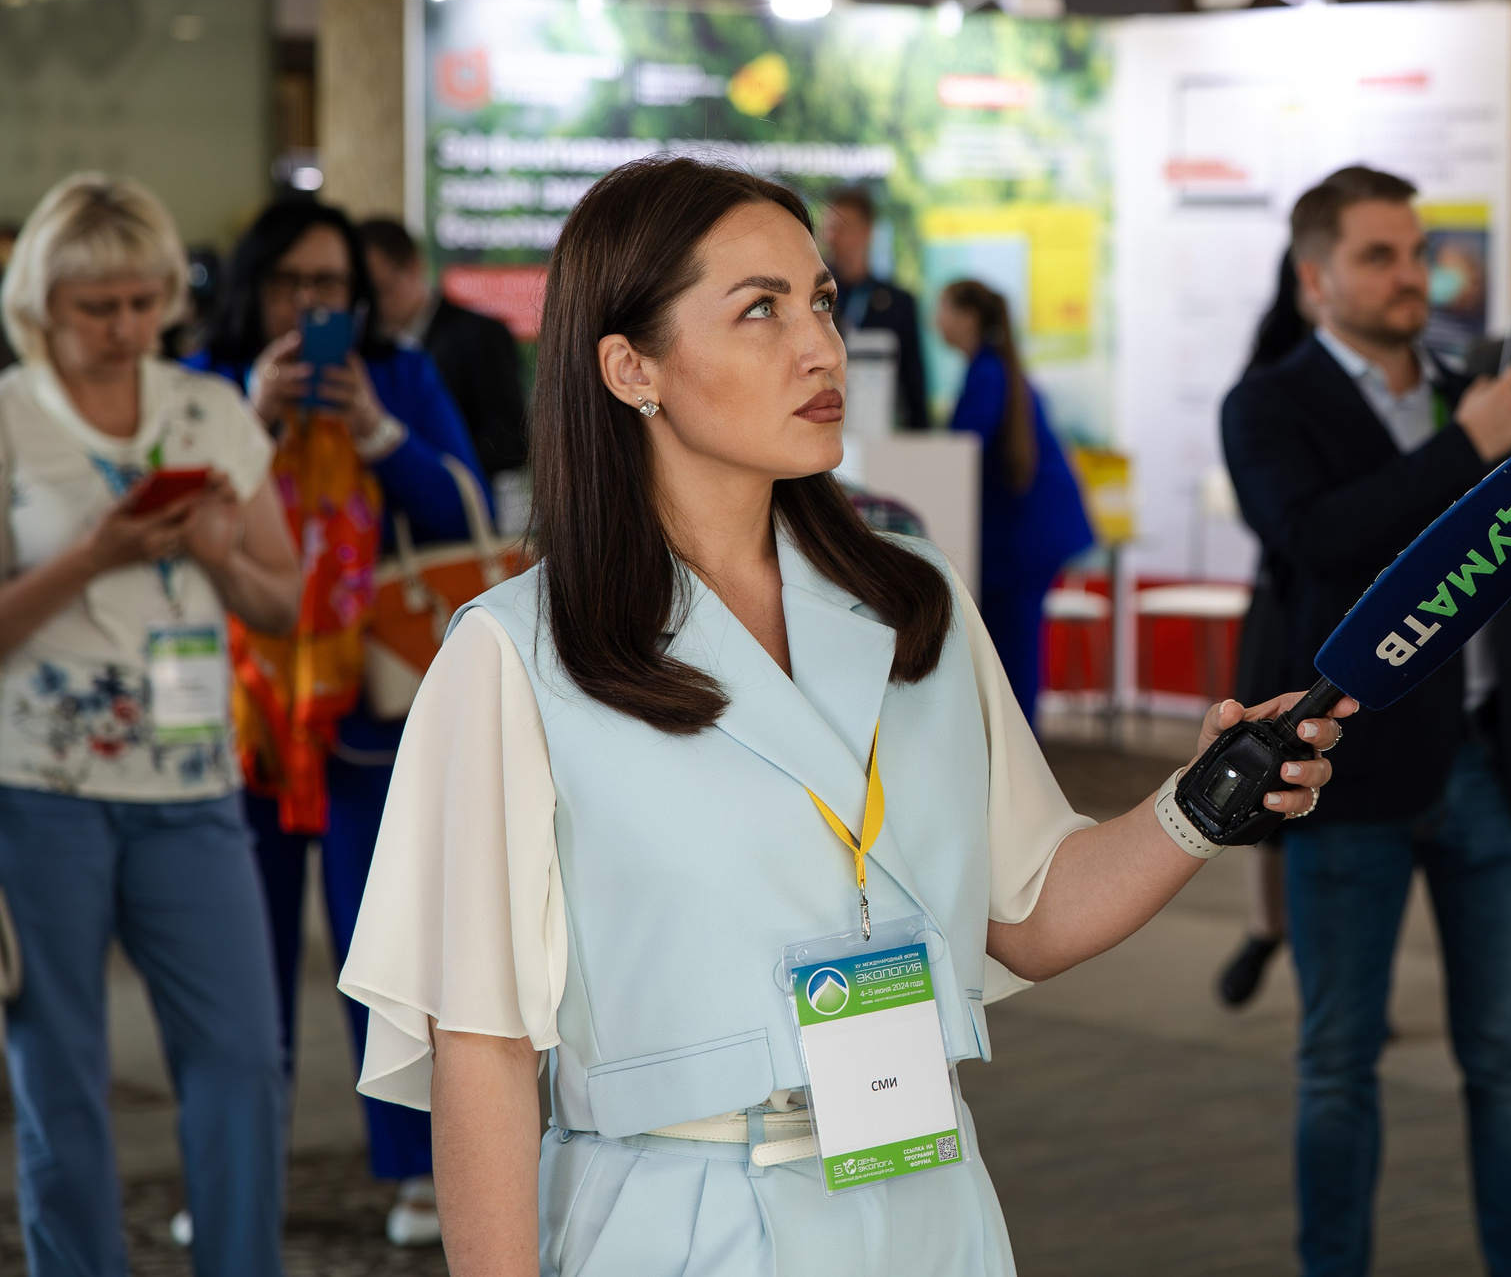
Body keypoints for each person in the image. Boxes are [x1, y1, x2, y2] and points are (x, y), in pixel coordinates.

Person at [333, 157, 1349, 1276]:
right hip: (679, 1216)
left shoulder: (912, 599)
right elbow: (478, 1045)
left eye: (819, 299)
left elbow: (1029, 906)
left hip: (929, 1193)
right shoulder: (515, 655)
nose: (820, 346)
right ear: (631, 366)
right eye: (758, 309)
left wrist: (1199, 801)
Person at [1222, 165, 1511, 1277]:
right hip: (1349, 779)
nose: (1407, 274)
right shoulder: (1270, 402)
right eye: (1378, 254)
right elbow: (1318, 538)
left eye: (1415, 250)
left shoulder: (1461, 388)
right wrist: (1463, 450)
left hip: (1494, 771)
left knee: (1504, 1058)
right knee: (1338, 1059)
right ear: (1313, 276)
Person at [0, 174, 301, 1277]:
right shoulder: (11, 417)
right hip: (38, 795)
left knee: (242, 1063)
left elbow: (283, 601)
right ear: (42, 301)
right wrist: (95, 555)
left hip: (193, 792)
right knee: (61, 1080)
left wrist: (218, 549)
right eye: (97, 306)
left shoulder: (210, 409)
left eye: (143, 301)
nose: (126, 327)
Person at [194, 197, 489, 1248]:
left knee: (390, 951)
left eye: (329, 286)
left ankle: (415, 1166)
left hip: (372, 709)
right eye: (290, 284)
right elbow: (175, 509)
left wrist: (377, 432)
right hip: (243, 720)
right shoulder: (204, 386)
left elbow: (462, 514)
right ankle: (234, 1178)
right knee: (239, 968)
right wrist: (250, 415)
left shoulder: (399, 377)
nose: (311, 305)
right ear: (253, 290)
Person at [1218, 249, 1316, 1009]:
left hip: (1301, 607)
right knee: (1273, 765)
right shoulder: (1272, 382)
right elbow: (1300, 525)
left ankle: (1281, 932)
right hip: (1290, 608)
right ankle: (1268, 926)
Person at [936, 279, 1095, 728]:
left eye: (944, 309)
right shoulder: (993, 368)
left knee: (1013, 648)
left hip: (1026, 535)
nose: (937, 321)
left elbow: (961, 448)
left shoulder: (987, 374)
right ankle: (1018, 755)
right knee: (1012, 645)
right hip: (1027, 531)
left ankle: (1022, 763)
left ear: (967, 317)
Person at [356, 218, 529, 490]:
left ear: (413, 267)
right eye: (361, 296)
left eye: (382, 290)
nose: (374, 306)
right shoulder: (359, 347)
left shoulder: (481, 335)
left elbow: (512, 438)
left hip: (465, 504)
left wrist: (435, 470)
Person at [823, 186, 928, 431]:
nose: (832, 237)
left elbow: (913, 380)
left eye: (842, 227)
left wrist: (920, 434)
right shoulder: (812, 295)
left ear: (868, 231)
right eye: (829, 228)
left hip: (881, 431)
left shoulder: (898, 302)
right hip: (824, 424)